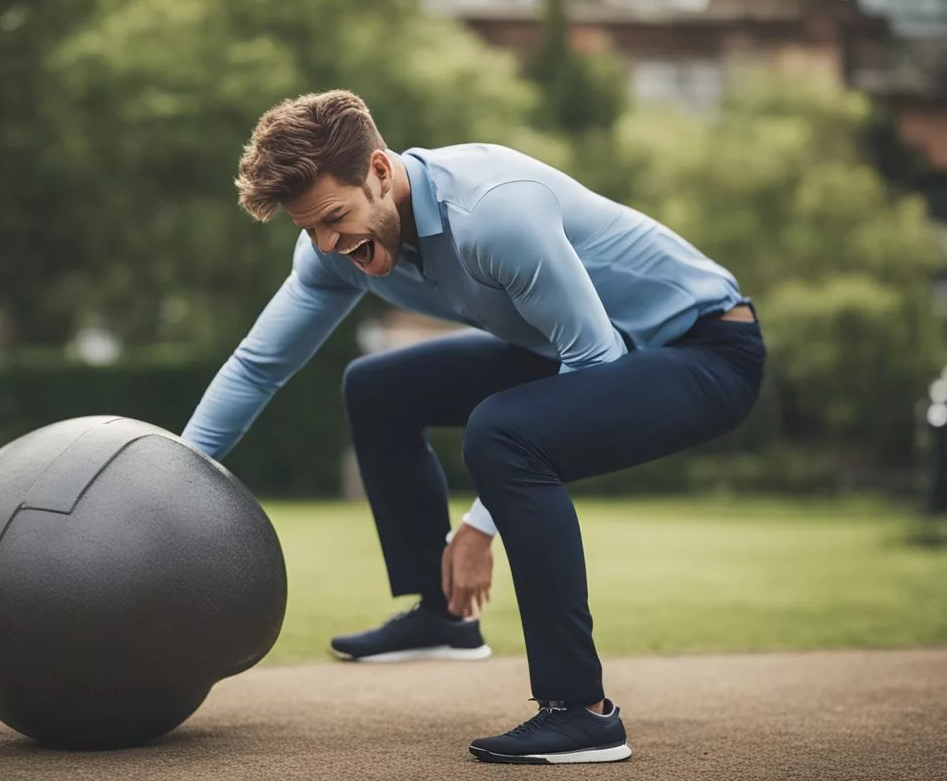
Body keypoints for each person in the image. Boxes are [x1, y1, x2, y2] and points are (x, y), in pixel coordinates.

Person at [181, 90, 766, 764]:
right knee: (376, 388)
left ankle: (582, 711)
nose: (328, 245)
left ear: (379, 170)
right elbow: (259, 367)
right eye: (308, 229)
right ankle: (442, 617)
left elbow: (596, 360)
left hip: (702, 349)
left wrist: (478, 525)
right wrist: (171, 469)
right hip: (574, 350)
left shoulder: (491, 215)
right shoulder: (334, 252)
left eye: (335, 219)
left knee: (503, 432)